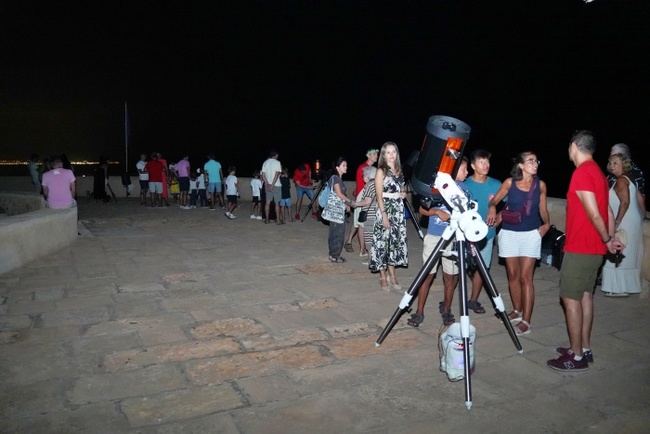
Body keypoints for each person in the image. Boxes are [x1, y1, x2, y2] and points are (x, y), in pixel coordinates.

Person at [547, 130, 623, 372]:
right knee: (586, 297)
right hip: (594, 250)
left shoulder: (581, 173)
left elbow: (594, 213)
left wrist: (608, 239)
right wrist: (607, 241)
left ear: (574, 146)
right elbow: (608, 211)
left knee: (570, 299)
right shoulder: (598, 173)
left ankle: (576, 357)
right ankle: (583, 348)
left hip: (581, 248)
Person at [487, 151, 551, 336]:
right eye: (531, 161)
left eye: (536, 160)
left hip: (531, 234)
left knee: (526, 278)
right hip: (508, 233)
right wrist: (492, 208)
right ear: (521, 165)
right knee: (513, 275)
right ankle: (516, 310)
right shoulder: (509, 183)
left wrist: (547, 224)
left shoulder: (541, 185)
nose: (535, 163)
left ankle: (526, 320)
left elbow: (543, 209)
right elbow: (495, 201)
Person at [408, 157, 470, 327]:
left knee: (450, 277)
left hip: (454, 238)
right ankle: (419, 311)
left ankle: (447, 309)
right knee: (427, 275)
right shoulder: (436, 188)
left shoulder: (464, 190)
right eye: (464, 169)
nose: (467, 173)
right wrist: (436, 212)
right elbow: (421, 209)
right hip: (435, 237)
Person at [463, 149, 502, 314]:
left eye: (487, 162)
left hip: (487, 235)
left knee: (482, 268)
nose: (486, 165)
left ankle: (473, 300)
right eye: (481, 162)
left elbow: (509, 206)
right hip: (465, 234)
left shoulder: (496, 184)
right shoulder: (465, 185)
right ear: (472, 165)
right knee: (464, 266)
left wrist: (498, 217)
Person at [600, 152, 643, 296]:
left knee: (617, 250)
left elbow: (625, 203)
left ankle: (617, 288)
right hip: (631, 219)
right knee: (626, 253)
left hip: (625, 220)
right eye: (610, 163)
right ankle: (626, 286)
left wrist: (617, 222)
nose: (612, 166)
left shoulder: (621, 181)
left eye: (616, 163)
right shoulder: (627, 179)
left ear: (624, 165)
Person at [369, 142, 408, 290]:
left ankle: (393, 274)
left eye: (394, 152)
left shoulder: (399, 170)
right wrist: (384, 215)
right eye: (388, 152)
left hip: (398, 210)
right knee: (382, 243)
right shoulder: (381, 171)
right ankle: (382, 276)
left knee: (394, 243)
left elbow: (401, 188)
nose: (391, 155)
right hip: (385, 209)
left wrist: (402, 193)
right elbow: (378, 195)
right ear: (383, 155)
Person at [345, 148, 379, 253]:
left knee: (359, 222)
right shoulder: (363, 168)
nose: (376, 156)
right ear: (368, 156)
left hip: (364, 196)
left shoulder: (369, 167)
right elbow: (363, 185)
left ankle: (351, 242)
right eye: (374, 154)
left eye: (376, 154)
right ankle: (361, 248)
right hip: (363, 196)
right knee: (361, 223)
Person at [325, 157, 356, 262]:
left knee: (335, 232)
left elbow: (340, 195)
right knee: (337, 233)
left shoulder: (338, 179)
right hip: (335, 211)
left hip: (337, 210)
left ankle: (333, 254)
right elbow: (339, 194)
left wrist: (346, 205)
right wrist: (351, 203)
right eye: (344, 165)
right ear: (337, 167)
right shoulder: (335, 178)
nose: (346, 167)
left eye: (346, 165)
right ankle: (334, 256)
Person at [607, 143, 645, 216]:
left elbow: (639, 198)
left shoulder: (634, 173)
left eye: (614, 156)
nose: (611, 159)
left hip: (626, 215)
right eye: (610, 155)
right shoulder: (613, 173)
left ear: (624, 159)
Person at [358, 165, 378, 264]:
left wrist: (354, 203)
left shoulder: (370, 185)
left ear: (367, 177)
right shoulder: (377, 184)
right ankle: (374, 258)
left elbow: (367, 201)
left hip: (370, 215)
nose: (363, 178)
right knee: (375, 237)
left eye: (363, 176)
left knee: (369, 238)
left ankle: (371, 259)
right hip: (377, 214)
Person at [261, 150, 282, 224]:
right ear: (275, 155)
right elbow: (277, 174)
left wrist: (267, 184)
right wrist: (272, 185)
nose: (278, 156)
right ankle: (278, 221)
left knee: (267, 203)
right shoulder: (277, 162)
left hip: (268, 185)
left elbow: (263, 175)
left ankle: (267, 220)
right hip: (276, 185)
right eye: (277, 155)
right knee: (277, 203)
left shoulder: (265, 162)